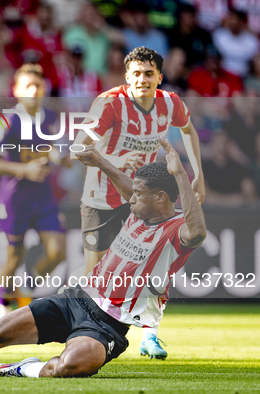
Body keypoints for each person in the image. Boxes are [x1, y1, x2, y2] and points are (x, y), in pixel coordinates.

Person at [0, 138, 207, 378]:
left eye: (139, 195)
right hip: (75, 299)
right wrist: (100, 161)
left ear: (161, 198)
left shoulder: (177, 230)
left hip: (108, 325)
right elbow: (130, 189)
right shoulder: (139, 211)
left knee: (67, 368)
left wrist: (181, 175)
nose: (130, 199)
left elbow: (198, 232)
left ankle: (17, 370)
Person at [70, 46, 205, 359]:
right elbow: (77, 148)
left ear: (159, 76)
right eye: (136, 74)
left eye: (148, 73)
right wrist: (117, 158)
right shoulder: (109, 104)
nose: (142, 79)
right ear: (126, 77)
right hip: (101, 198)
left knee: (158, 266)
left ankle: (150, 335)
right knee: (96, 277)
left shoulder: (170, 103)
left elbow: (189, 131)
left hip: (142, 197)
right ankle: (86, 330)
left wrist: (197, 174)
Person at [0, 63, 68, 319]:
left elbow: (63, 156)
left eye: (38, 85)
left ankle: (27, 287)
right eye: (28, 85)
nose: (34, 90)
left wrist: (63, 157)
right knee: (12, 258)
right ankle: (1, 306)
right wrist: (25, 169)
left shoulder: (52, 119)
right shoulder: (6, 120)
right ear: (17, 90)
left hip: (44, 199)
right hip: (14, 200)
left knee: (58, 252)